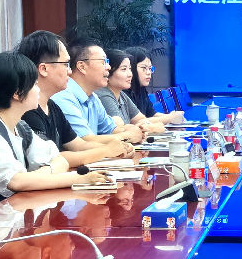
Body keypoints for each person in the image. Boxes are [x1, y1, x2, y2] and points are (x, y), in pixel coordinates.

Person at [0, 52, 111, 219]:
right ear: (17, 93)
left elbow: (60, 160)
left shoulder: (20, 127)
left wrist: (34, 177)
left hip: (8, 215)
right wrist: (77, 179)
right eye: (34, 84)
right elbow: (16, 182)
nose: (38, 89)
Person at [16, 30, 136, 165]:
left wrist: (119, 148)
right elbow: (50, 159)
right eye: (66, 64)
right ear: (44, 69)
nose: (69, 71)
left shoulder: (52, 106)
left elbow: (78, 145)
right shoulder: (28, 110)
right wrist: (106, 150)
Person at [51, 39, 145, 143]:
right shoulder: (63, 97)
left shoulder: (92, 97)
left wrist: (134, 130)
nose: (108, 67)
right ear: (82, 67)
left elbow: (111, 129)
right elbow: (84, 140)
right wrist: (127, 136)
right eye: (103, 62)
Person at [95, 49, 165, 133]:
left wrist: (148, 126)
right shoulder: (104, 95)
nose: (130, 74)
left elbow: (141, 119)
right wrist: (152, 128)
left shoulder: (122, 95)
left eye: (130, 69)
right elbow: (120, 130)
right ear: (108, 72)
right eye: (124, 69)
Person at [124, 46, 184, 125]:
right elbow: (139, 122)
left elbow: (152, 114)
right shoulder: (124, 92)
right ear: (131, 68)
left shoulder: (141, 89)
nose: (149, 72)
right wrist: (170, 118)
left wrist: (172, 117)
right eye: (144, 68)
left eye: (150, 68)